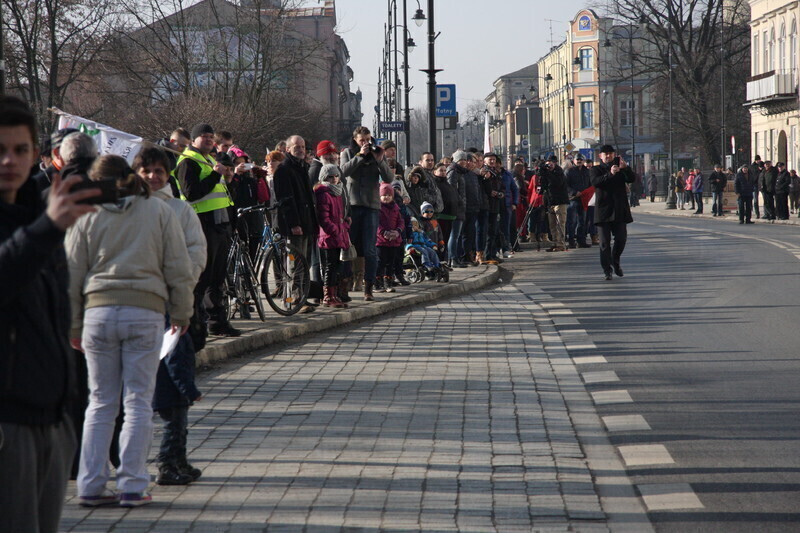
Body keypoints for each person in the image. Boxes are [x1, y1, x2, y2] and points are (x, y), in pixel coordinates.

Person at [67, 155, 193, 507]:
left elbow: (73, 273)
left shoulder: (85, 215)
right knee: (137, 401)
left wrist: (73, 323)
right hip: (145, 310)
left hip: (97, 313)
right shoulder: (158, 211)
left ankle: (90, 484)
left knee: (100, 402)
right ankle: (133, 484)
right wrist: (182, 311)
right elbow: (178, 265)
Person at [0, 96, 99, 532]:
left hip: (53, 418)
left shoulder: (39, 213)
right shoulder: (44, 224)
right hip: (9, 424)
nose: (10, 161)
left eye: (20, 149)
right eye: (0, 150)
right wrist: (47, 228)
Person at [133, 146, 206, 487]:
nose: (153, 176)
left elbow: (195, 251)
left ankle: (174, 457)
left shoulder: (179, 209)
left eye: (159, 170)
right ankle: (147, 462)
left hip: (172, 306)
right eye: (146, 170)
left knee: (175, 385)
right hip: (135, 309)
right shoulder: (125, 209)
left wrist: (180, 285)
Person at [174, 123, 239, 337]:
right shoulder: (188, 161)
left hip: (220, 224)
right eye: (204, 136)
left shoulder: (209, 159)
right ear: (194, 140)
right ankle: (196, 322)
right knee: (203, 276)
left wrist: (225, 178)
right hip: (203, 224)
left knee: (217, 276)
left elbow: (217, 191)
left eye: (211, 136)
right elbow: (191, 192)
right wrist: (214, 175)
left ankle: (217, 321)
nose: (209, 140)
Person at [340, 126, 394, 301]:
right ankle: (345, 285)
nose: (365, 143)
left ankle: (368, 287)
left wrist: (379, 160)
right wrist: (360, 156)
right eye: (362, 140)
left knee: (370, 249)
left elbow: (388, 179)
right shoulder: (348, 153)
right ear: (355, 140)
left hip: (371, 206)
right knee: (349, 246)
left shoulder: (378, 153)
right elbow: (343, 172)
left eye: (368, 140)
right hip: (353, 206)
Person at [273, 135, 319, 313]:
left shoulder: (303, 167)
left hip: (306, 222)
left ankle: (302, 296)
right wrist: (294, 223)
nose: (301, 150)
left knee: (304, 263)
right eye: (296, 147)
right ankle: (293, 299)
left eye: (302, 146)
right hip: (294, 225)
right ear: (288, 149)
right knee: (293, 264)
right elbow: (286, 200)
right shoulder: (284, 170)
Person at [590, 145, 634, 280]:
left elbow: (631, 179)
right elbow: (596, 182)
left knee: (621, 239)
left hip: (619, 209)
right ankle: (607, 270)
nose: (608, 156)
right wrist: (610, 174)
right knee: (604, 243)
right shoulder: (596, 169)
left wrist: (625, 168)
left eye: (610, 153)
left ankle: (615, 261)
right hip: (603, 210)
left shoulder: (621, 168)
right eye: (605, 154)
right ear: (600, 156)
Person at [375, 182, 404, 293]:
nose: (386, 197)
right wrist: (383, 232)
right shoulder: (378, 208)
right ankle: (378, 282)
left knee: (390, 263)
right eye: (384, 195)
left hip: (394, 240)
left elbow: (400, 221)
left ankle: (388, 282)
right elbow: (376, 224)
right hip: (381, 241)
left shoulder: (396, 208)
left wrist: (397, 231)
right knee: (380, 262)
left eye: (389, 195)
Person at [540, 155, 569, 252]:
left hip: (560, 201)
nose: (549, 165)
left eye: (551, 162)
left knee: (560, 224)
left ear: (555, 163)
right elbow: (543, 185)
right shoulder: (547, 172)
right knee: (552, 224)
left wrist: (547, 173)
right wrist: (542, 172)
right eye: (548, 163)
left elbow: (556, 183)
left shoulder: (559, 171)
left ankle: (561, 244)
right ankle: (555, 243)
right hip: (550, 201)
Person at [446, 150, 469, 267]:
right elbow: (452, 190)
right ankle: (453, 259)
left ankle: (456, 258)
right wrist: (460, 202)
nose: (464, 162)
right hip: (456, 208)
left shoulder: (460, 172)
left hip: (460, 207)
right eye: (461, 160)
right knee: (454, 235)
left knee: (457, 235)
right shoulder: (453, 171)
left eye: (465, 159)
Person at [432, 162, 458, 258]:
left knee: (446, 240)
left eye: (444, 171)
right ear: (435, 172)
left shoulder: (447, 183)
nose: (443, 172)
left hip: (450, 216)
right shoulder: (435, 183)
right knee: (440, 240)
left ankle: (444, 260)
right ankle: (440, 259)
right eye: (441, 171)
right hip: (441, 216)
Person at [565, 155, 591, 248]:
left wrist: (588, 193)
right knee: (571, 221)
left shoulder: (587, 171)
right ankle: (571, 241)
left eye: (581, 159)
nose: (579, 161)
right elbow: (565, 185)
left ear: (583, 161)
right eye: (577, 159)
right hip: (573, 199)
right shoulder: (569, 171)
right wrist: (574, 192)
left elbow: (590, 184)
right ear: (574, 161)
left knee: (582, 221)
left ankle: (581, 241)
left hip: (584, 199)